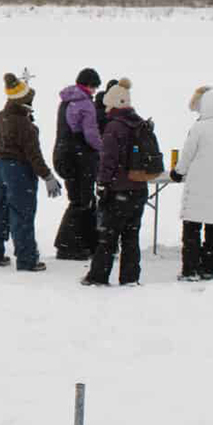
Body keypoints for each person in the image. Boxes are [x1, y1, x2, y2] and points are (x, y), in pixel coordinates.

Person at [84, 78, 156, 286]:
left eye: (107, 105)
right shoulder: (140, 123)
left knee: (108, 236)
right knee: (131, 237)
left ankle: (98, 276)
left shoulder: (114, 127)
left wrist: (102, 183)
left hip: (118, 190)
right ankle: (130, 278)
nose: (105, 110)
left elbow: (108, 160)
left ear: (114, 104)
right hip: (139, 188)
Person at [0, 72, 61, 272]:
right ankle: (27, 260)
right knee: (22, 215)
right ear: (24, 101)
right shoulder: (25, 125)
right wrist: (48, 176)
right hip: (18, 171)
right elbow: (34, 156)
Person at [169, 86, 213, 281]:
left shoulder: (200, 128)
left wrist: (177, 172)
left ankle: (190, 269)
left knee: (192, 231)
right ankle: (210, 268)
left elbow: (187, 155)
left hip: (199, 187)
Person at [50, 68, 104, 260]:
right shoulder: (85, 104)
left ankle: (81, 243)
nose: (95, 91)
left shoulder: (65, 102)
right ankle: (68, 246)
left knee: (78, 199)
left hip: (63, 155)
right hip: (80, 158)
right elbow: (90, 135)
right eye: (95, 87)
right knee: (83, 201)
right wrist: (102, 148)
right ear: (89, 85)